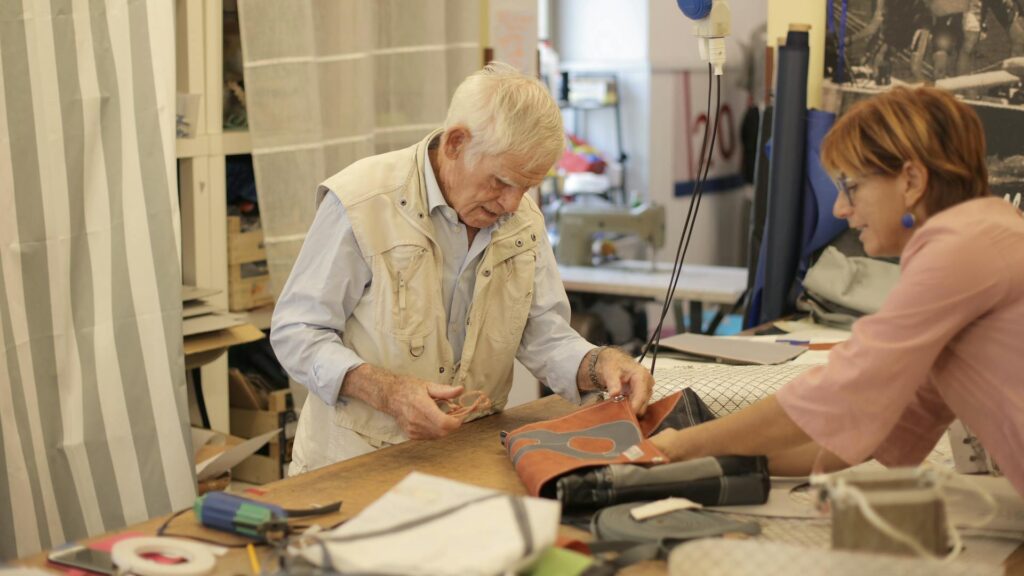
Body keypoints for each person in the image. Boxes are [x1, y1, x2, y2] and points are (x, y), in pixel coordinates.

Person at [271, 62, 654, 475]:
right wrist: (387, 392)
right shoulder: (364, 202)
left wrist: (600, 365)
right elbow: (297, 331)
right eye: (501, 182)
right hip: (353, 464)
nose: (511, 203)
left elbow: (544, 335)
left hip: (468, 455)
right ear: (455, 143)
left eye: (526, 187)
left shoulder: (521, 218)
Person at [651, 87, 1024, 497]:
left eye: (850, 187)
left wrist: (687, 443)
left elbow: (843, 389)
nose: (839, 210)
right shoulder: (981, 239)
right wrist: (697, 459)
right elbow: (868, 438)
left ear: (912, 180)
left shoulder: (961, 247)